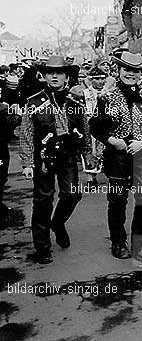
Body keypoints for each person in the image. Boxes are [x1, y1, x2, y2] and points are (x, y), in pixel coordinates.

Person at [19, 56, 93, 264]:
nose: (54, 76)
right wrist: (26, 163)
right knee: (43, 200)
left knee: (72, 195)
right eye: (50, 72)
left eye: (59, 72)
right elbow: (26, 133)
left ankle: (58, 223)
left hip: (67, 155)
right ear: (44, 75)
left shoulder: (75, 102)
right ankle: (42, 247)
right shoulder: (33, 102)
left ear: (66, 76)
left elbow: (85, 129)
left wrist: (87, 152)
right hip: (43, 156)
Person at [90, 51, 142, 261]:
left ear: (141, 73)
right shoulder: (106, 97)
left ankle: (139, 244)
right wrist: (113, 140)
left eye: (135, 70)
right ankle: (118, 242)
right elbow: (95, 126)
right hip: (117, 156)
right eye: (127, 69)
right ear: (119, 70)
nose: (131, 74)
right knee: (118, 201)